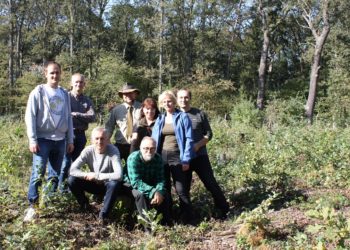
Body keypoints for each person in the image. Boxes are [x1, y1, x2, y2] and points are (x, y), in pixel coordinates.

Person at [24, 61, 74, 222]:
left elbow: (68, 118)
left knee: (54, 174)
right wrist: (32, 139)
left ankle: (49, 204)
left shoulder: (64, 93)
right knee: (37, 173)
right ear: (45, 73)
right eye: (51, 72)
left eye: (57, 72)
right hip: (42, 140)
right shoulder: (38, 92)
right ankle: (33, 206)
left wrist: (70, 139)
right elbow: (30, 116)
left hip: (60, 141)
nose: (55, 75)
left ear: (61, 74)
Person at [177, 89, 229, 219]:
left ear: (190, 98)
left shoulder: (199, 114)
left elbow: (209, 134)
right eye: (181, 98)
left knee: (210, 183)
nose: (184, 100)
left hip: (200, 156)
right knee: (184, 188)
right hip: (184, 159)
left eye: (186, 97)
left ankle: (224, 210)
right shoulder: (174, 115)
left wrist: (197, 145)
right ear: (177, 99)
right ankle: (186, 215)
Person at [151, 90, 195, 224]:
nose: (167, 103)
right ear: (161, 104)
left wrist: (186, 159)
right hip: (162, 157)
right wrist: (153, 157)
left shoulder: (182, 117)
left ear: (174, 102)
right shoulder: (160, 119)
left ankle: (188, 218)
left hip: (178, 157)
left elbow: (189, 139)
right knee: (165, 188)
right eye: (164, 102)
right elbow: (154, 138)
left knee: (181, 189)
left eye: (169, 101)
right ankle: (167, 217)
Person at [68, 127, 123, 223]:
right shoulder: (88, 151)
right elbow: (72, 170)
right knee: (71, 180)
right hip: (94, 184)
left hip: (108, 185)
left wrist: (97, 175)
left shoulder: (113, 150)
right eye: (96, 139)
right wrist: (87, 174)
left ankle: (103, 216)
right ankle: (85, 206)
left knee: (114, 184)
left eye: (102, 138)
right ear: (92, 140)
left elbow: (119, 175)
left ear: (107, 139)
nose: (99, 141)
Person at [58, 73, 96, 191]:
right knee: (64, 164)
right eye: (76, 82)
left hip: (80, 135)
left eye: (81, 82)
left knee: (76, 164)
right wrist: (81, 116)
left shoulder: (87, 101)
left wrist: (76, 114)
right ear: (71, 83)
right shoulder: (66, 97)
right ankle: (61, 189)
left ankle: (72, 189)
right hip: (66, 134)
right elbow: (62, 114)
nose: (78, 84)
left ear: (84, 84)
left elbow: (92, 117)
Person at [126, 137, 170, 228]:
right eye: (146, 148)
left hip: (148, 183)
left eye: (152, 148)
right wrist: (153, 191)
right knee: (140, 195)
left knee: (165, 194)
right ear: (140, 148)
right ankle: (148, 227)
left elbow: (160, 179)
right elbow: (136, 182)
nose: (149, 151)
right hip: (129, 184)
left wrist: (159, 191)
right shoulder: (133, 158)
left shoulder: (158, 159)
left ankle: (165, 223)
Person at [105, 84, 141, 163]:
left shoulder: (142, 108)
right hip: (119, 145)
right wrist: (106, 140)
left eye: (130, 93)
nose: (128, 95)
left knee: (133, 170)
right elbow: (109, 127)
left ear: (135, 94)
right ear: (122, 95)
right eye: (125, 93)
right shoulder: (116, 110)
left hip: (136, 146)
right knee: (115, 168)